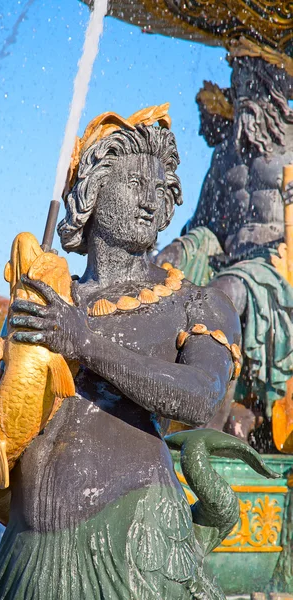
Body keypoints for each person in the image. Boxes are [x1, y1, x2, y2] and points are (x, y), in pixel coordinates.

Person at [0, 106, 269, 599]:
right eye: (136, 183)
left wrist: (86, 343)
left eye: (161, 190)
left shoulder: (197, 304)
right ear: (92, 189)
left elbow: (201, 397)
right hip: (28, 551)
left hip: (135, 538)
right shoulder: (43, 301)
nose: (151, 201)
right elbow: (7, 417)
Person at [156, 38, 293, 443]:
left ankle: (205, 426)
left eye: (256, 81)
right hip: (228, 255)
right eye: (240, 81)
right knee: (162, 267)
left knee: (224, 292)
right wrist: (178, 251)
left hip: (278, 264)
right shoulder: (226, 157)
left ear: (278, 88)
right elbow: (204, 224)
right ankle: (146, 402)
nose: (245, 92)